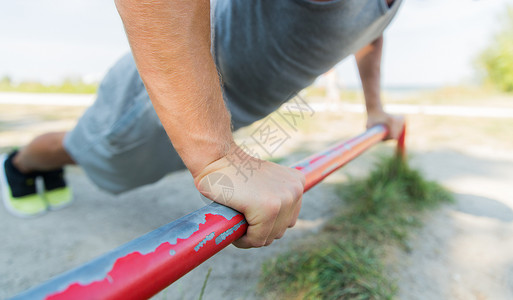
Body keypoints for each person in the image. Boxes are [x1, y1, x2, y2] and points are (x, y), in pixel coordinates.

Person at [0, 0, 404, 248]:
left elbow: (370, 32)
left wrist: (375, 108)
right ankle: (20, 165)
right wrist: (217, 156)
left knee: (133, 166)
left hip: (226, 110)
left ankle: (46, 168)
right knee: (91, 150)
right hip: (179, 85)